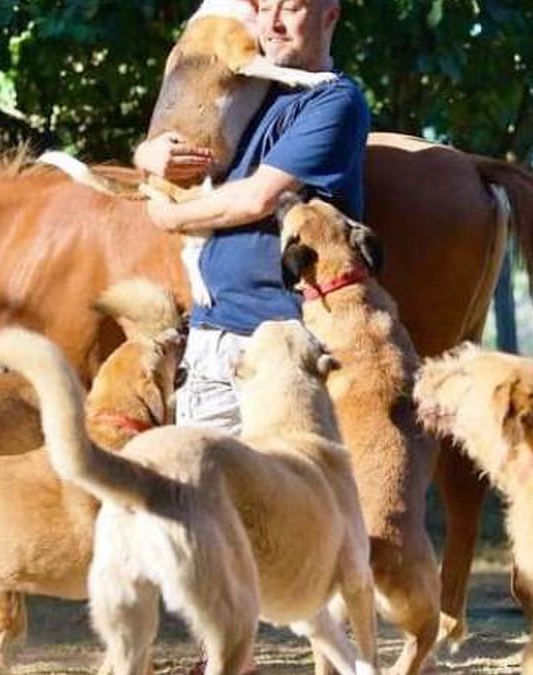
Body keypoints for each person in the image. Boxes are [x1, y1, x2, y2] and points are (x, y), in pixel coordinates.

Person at [135, 0, 370, 434]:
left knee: (284, 500)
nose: (273, 23)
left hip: (283, 346)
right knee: (203, 500)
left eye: (292, 9)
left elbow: (257, 198)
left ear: (330, 16)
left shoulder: (333, 100)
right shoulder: (246, 90)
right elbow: (166, 173)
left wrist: (170, 218)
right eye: (264, 8)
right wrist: (147, 158)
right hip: (211, 342)